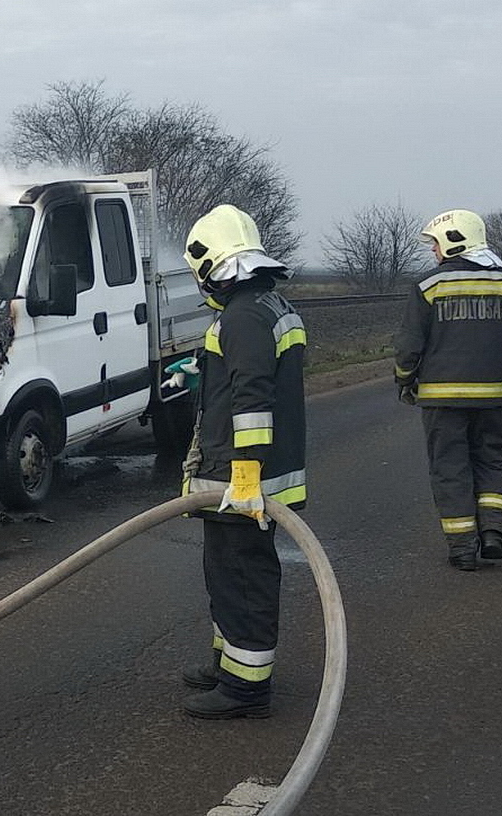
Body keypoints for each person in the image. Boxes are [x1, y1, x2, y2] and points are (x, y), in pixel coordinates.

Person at [176, 204, 307, 720]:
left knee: (243, 577)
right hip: (244, 477)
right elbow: (246, 371)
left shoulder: (245, 315)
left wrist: (246, 473)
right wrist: (196, 370)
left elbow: (252, 395)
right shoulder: (268, 306)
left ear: (214, 263)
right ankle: (228, 661)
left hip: (242, 478)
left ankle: (246, 689)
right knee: (225, 571)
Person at [393, 209, 502, 571]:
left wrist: (404, 380)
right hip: (494, 400)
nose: (433, 251)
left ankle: (462, 547)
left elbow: (409, 345)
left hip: (441, 403)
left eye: (434, 243)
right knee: (491, 461)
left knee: (450, 469)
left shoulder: (428, 286)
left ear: (453, 240)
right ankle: (492, 533)